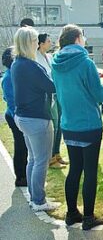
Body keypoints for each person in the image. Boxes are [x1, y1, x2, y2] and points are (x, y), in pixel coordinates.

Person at [52, 24, 103, 230]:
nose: (84, 39)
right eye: (83, 36)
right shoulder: (85, 62)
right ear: (76, 39)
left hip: (68, 124)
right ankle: (89, 217)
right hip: (89, 125)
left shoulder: (55, 62)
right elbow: (100, 95)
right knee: (90, 171)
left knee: (75, 169)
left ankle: (71, 213)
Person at [11, 26, 60, 211]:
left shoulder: (18, 63)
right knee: (41, 160)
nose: (36, 43)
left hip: (23, 117)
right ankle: (39, 201)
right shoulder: (30, 66)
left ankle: (34, 197)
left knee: (33, 159)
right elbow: (51, 86)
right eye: (34, 40)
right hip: (37, 118)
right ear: (29, 43)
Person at [36, 33, 68, 168]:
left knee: (60, 123)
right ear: (41, 44)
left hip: (57, 93)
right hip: (48, 97)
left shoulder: (49, 57)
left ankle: (56, 153)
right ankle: (50, 158)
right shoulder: (36, 59)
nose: (51, 43)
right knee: (54, 124)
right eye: (48, 41)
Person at [1, 47, 28, 187]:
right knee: (21, 146)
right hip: (14, 116)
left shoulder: (15, 74)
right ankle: (21, 177)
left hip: (18, 115)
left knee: (25, 146)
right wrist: (20, 119)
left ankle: (25, 175)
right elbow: (11, 102)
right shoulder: (9, 77)